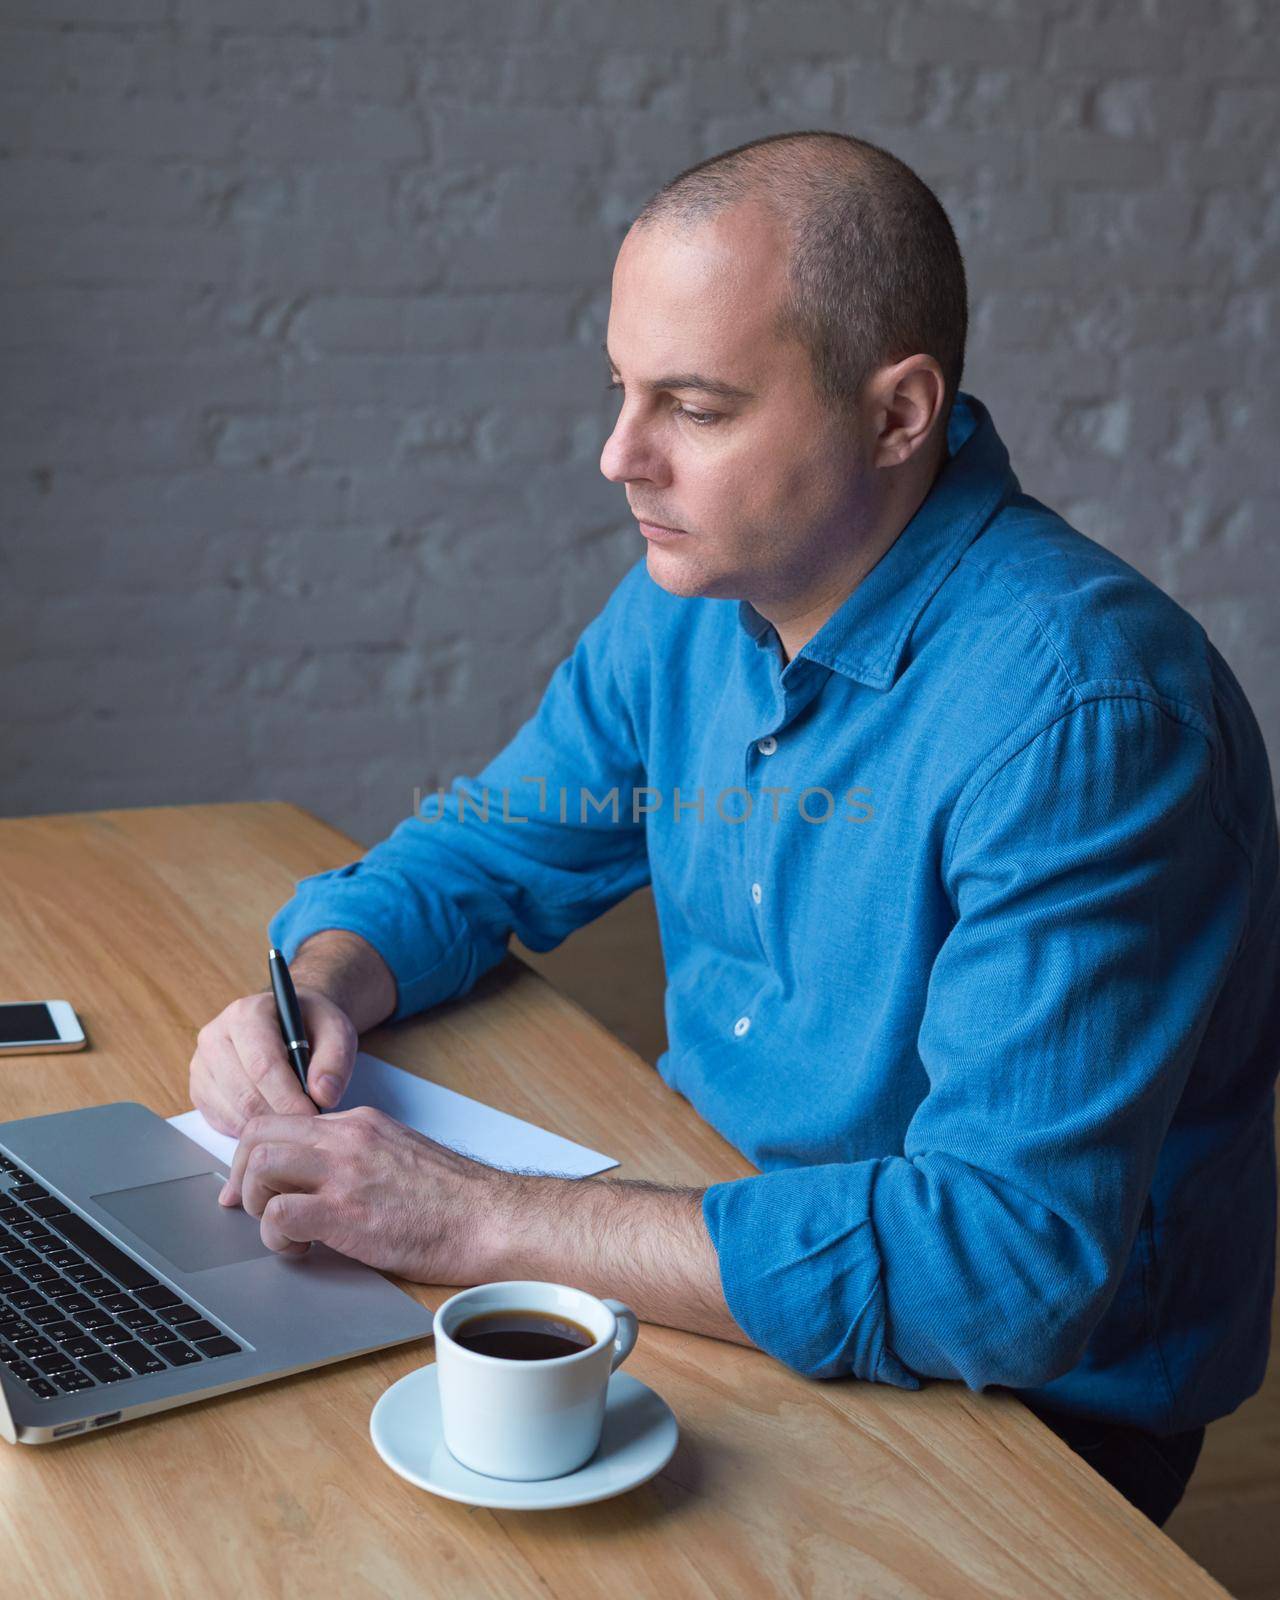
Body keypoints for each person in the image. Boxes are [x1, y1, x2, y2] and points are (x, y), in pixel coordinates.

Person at [190, 131, 1280, 1527]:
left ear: (898, 416)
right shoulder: (690, 598)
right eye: (621, 392)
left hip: (1023, 1420)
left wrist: (474, 1217)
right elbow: (489, 845)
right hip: (709, 1251)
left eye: (694, 407)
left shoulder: (1091, 721)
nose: (616, 456)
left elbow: (1003, 1276)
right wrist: (319, 983)